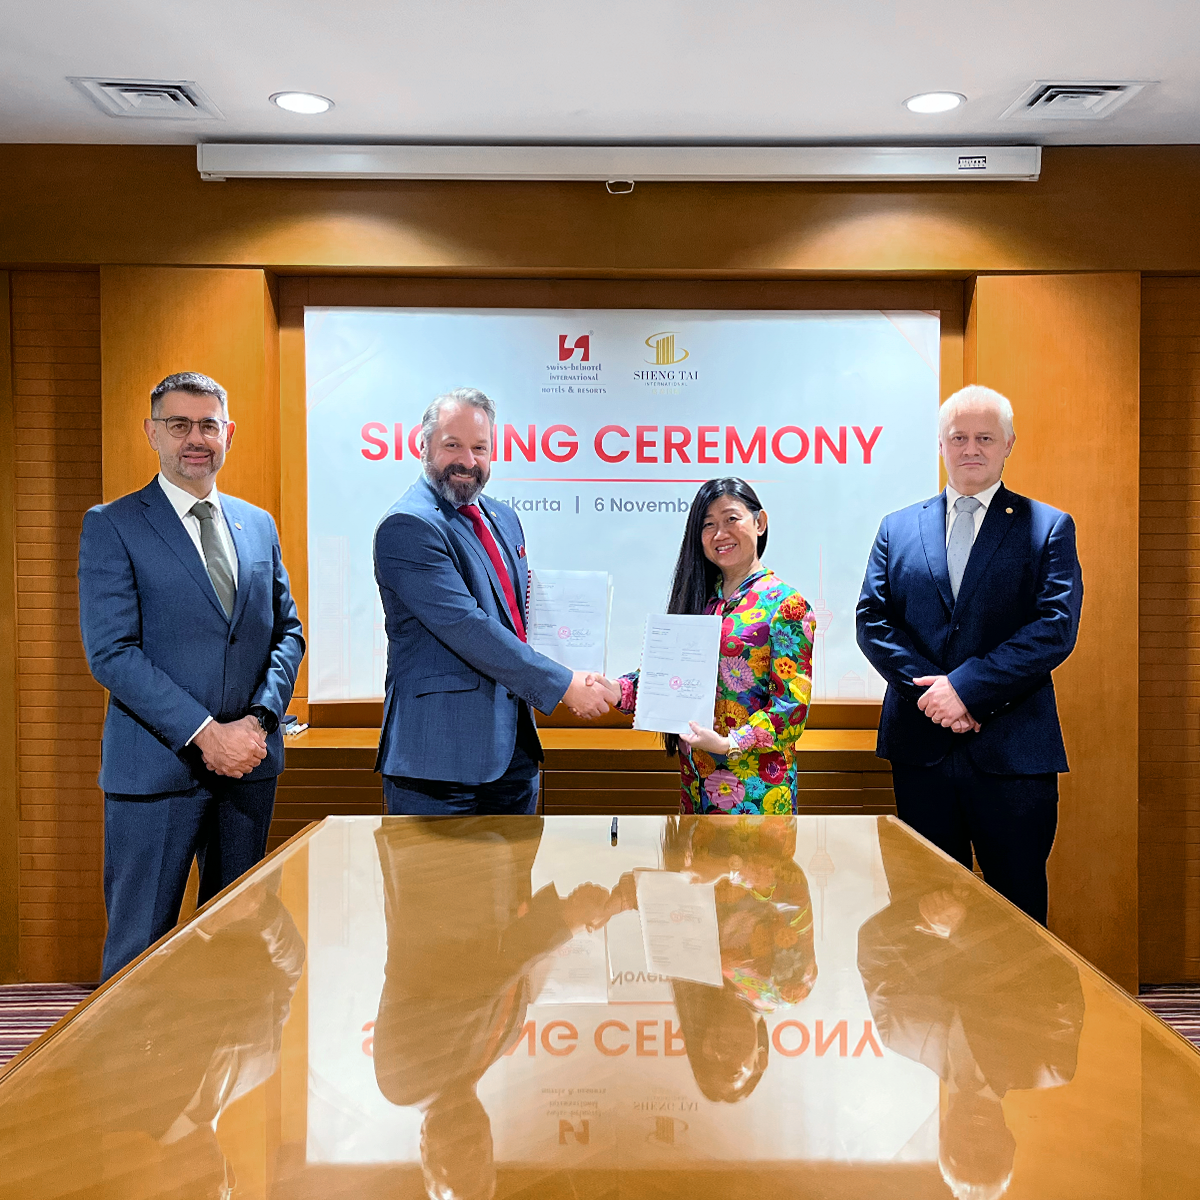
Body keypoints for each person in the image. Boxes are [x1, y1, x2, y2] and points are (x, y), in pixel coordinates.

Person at [78, 371, 304, 981]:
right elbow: (112, 653)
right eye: (178, 424)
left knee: (239, 949)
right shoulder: (114, 525)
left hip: (248, 769)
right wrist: (207, 733)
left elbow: (287, 632)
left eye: (208, 424)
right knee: (139, 952)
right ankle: (129, 1051)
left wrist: (258, 722)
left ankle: (224, 1052)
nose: (195, 438)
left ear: (229, 433)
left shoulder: (257, 524)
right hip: (157, 771)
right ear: (152, 433)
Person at [855, 385, 1083, 925]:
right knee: (922, 912)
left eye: (985, 437)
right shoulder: (897, 527)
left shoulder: (1047, 526)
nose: (971, 448)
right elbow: (872, 621)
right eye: (958, 438)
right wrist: (934, 695)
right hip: (921, 749)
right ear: (940, 445)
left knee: (1017, 913)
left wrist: (966, 690)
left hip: (1013, 753)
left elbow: (1054, 628)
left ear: (1009, 444)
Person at [373, 387, 610, 816]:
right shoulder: (408, 525)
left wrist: (575, 663)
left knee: (518, 865)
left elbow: (517, 617)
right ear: (423, 446)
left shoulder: (503, 517)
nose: (467, 461)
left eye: (479, 448)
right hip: (439, 763)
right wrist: (563, 684)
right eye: (453, 445)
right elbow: (468, 627)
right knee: (431, 867)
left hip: (513, 754)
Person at [371, 816, 625, 1200]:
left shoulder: (403, 1084)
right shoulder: (498, 1045)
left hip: (437, 842)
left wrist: (565, 920)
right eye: (480, 1160)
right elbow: (505, 949)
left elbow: (466, 982)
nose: (470, 1149)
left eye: (453, 1165)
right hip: (503, 845)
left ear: (424, 1150)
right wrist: (569, 911)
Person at [858, 816, 1084, 1200]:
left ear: (942, 1136)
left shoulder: (899, 1035)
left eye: (961, 1153)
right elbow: (1056, 972)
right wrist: (962, 931)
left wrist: (919, 914)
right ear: (1009, 1141)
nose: (975, 1141)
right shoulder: (1049, 1063)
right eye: (987, 1156)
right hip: (1012, 890)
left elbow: (874, 946)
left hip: (919, 876)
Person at [593, 477, 815, 814]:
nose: (720, 534)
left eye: (731, 519)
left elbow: (791, 708)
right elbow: (668, 679)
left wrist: (729, 744)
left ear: (760, 522)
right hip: (695, 784)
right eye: (708, 525)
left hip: (759, 791)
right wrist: (617, 690)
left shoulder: (786, 605)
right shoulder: (698, 600)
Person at [662, 814, 817, 1102]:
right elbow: (793, 890)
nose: (720, 1054)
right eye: (732, 1070)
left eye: (707, 1060)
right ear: (761, 1060)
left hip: (698, 820)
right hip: (759, 815)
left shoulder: (693, 980)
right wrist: (729, 869)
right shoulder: (785, 990)